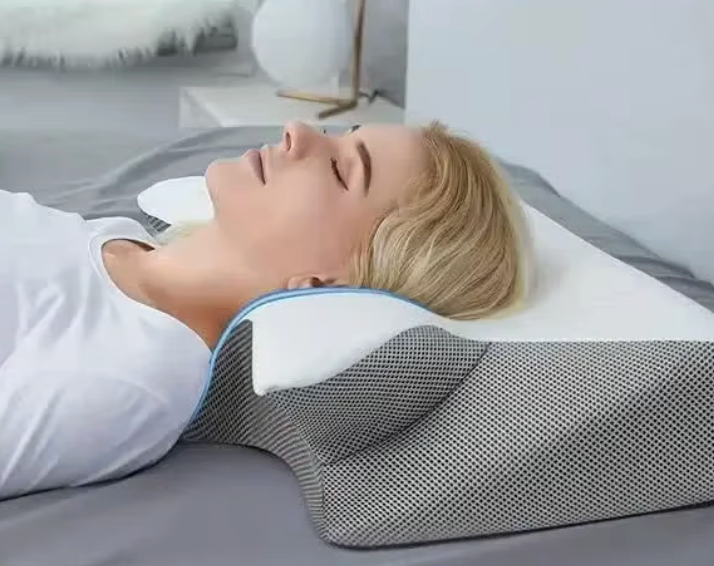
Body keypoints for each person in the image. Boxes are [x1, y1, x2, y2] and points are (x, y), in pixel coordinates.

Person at [0, 120, 528, 500]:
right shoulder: (117, 236)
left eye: (340, 170)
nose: (298, 131)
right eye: (339, 134)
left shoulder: (132, 379)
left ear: (328, 282)